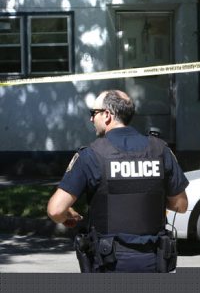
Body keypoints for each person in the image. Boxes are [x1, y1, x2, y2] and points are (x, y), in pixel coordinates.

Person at [47, 89, 189, 273]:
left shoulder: (91, 155)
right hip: (153, 259)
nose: (91, 119)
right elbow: (180, 205)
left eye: (93, 113)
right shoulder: (160, 150)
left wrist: (69, 214)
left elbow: (55, 210)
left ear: (107, 115)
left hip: (109, 261)